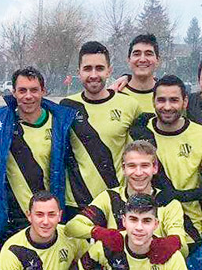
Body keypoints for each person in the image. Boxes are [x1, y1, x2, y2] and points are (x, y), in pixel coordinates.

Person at [129, 75, 202, 244]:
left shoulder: (201, 135)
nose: (167, 106)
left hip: (188, 229)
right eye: (161, 100)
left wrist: (181, 196)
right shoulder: (139, 132)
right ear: (153, 102)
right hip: (141, 229)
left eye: (174, 100)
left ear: (185, 101)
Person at [0, 67, 75, 239]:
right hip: (12, 217)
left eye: (34, 90)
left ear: (43, 91)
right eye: (22, 90)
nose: (28, 96)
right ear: (13, 92)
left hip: (46, 217)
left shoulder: (60, 124)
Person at [66, 139, 194, 252]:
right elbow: (72, 227)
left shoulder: (168, 203)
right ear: (123, 168)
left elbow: (182, 248)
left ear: (154, 168)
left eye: (144, 165)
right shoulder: (110, 197)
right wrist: (102, 233)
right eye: (132, 166)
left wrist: (145, 244)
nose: (138, 173)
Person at [60, 41, 143, 214]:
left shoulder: (130, 105)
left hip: (117, 201)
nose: (93, 74)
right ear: (79, 72)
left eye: (99, 68)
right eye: (87, 68)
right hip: (76, 203)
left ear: (109, 71)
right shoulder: (66, 106)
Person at [120, 34, 161, 121]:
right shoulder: (115, 93)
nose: (142, 59)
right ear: (128, 60)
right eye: (137, 54)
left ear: (157, 60)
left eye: (148, 54)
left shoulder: (168, 96)